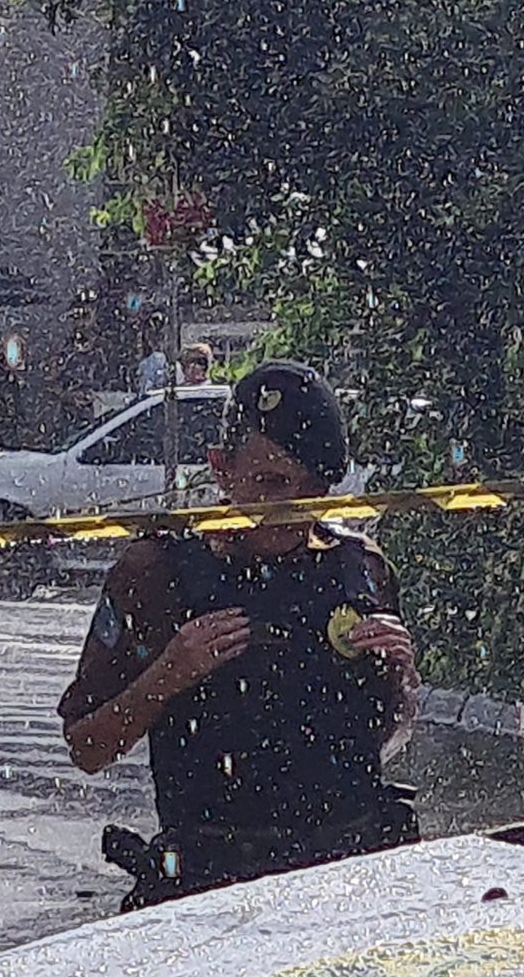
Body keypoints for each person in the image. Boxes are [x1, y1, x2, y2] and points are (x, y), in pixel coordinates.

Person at [59, 360, 420, 910]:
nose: (292, 508)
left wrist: (402, 680)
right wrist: (170, 673)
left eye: (313, 488)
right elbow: (87, 747)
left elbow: (383, 741)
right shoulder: (160, 572)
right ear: (221, 470)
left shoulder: (359, 569)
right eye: (271, 482)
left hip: (349, 883)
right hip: (211, 887)